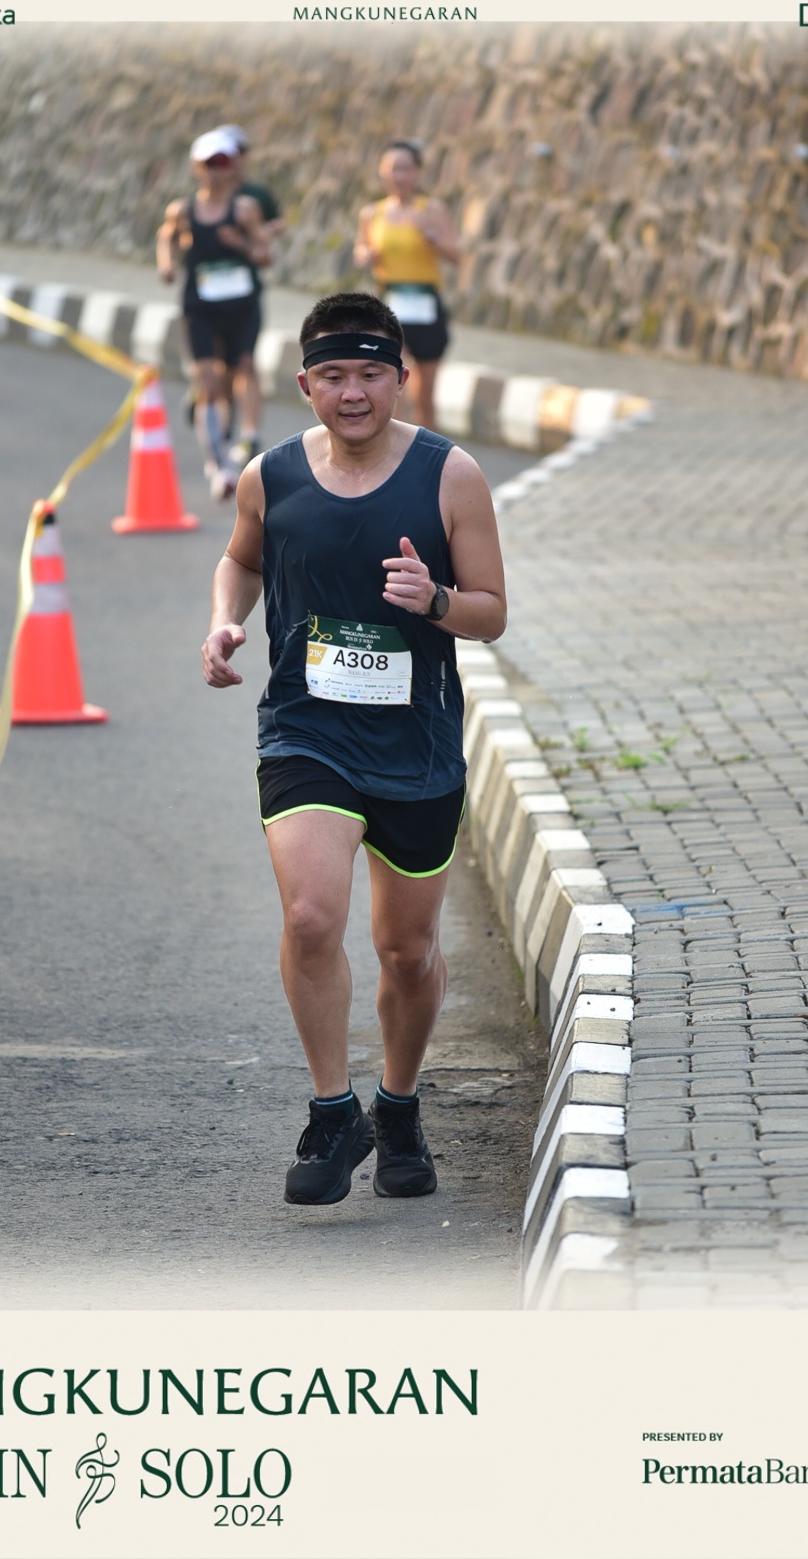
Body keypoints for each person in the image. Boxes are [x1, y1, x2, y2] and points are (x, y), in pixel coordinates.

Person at [201, 290, 507, 1206]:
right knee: (310, 918)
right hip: (307, 731)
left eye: (370, 373)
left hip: (415, 742)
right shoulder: (270, 477)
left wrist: (437, 601)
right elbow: (241, 560)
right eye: (332, 375)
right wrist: (224, 621)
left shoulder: (451, 477)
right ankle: (333, 1112)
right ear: (305, 386)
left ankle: (398, 1107)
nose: (353, 393)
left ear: (400, 378)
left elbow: (491, 612)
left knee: (406, 951)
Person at [156, 129, 269, 500]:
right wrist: (167, 264)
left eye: (222, 163)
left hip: (241, 307)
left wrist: (241, 245)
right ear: (196, 168)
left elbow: (265, 255)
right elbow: (166, 236)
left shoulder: (245, 210)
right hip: (200, 306)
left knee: (233, 377)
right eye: (209, 164)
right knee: (207, 379)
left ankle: (228, 438)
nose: (216, 172)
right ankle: (219, 465)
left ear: (233, 166)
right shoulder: (183, 210)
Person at [354, 139, 461, 431]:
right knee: (391, 389)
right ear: (382, 172)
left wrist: (433, 238)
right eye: (392, 169)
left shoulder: (432, 209)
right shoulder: (372, 213)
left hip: (425, 303)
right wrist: (365, 254)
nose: (398, 176)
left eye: (405, 168)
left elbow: (456, 256)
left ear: (417, 172)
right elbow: (360, 249)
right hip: (389, 305)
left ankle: (429, 453)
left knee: (424, 395)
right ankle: (394, 452)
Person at [219, 124, 285, 467]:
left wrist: (252, 238)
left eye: (239, 152)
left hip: (245, 293)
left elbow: (273, 232)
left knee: (246, 361)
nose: (233, 160)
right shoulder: (203, 200)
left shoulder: (255, 196)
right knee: (220, 367)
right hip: (208, 298)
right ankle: (218, 422)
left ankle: (250, 433)